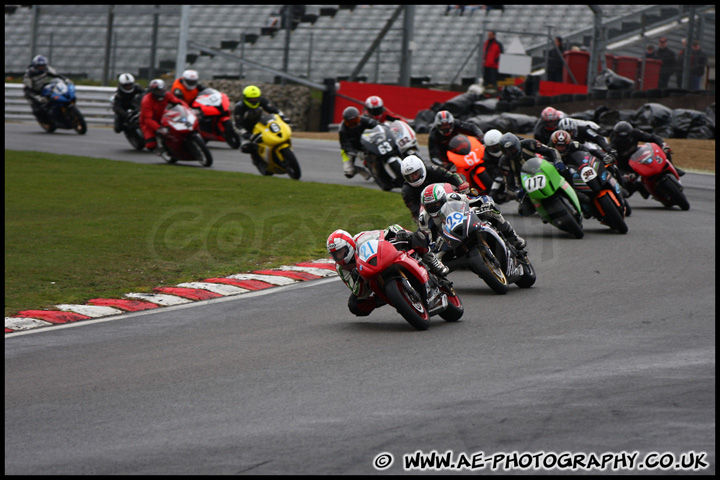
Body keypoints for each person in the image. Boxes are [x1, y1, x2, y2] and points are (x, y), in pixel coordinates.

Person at [326, 225, 448, 317]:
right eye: (335, 255)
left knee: (417, 236)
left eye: (341, 252)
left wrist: (400, 233)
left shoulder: (361, 238)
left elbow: (387, 231)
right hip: (370, 276)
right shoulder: (341, 268)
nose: (339, 257)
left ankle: (433, 261)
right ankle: (388, 298)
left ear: (349, 245)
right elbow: (357, 291)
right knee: (355, 305)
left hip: (386, 255)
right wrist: (358, 276)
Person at [418, 182, 526, 252]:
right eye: (430, 206)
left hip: (466, 219)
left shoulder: (452, 197)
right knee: (436, 259)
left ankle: (513, 236)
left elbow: (474, 200)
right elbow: (427, 239)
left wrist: (485, 202)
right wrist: (433, 246)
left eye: (436, 204)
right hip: (447, 237)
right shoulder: (423, 218)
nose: (433, 208)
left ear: (442, 199)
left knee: (492, 212)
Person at [608, 121, 683, 197]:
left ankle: (672, 167)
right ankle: (639, 187)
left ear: (630, 133)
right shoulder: (612, 144)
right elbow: (614, 164)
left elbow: (653, 138)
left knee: (665, 151)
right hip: (625, 164)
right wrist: (624, 176)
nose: (623, 140)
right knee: (626, 190)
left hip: (637, 154)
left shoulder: (635, 133)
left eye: (626, 137)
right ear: (616, 135)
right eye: (621, 137)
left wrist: (663, 145)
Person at [498, 132, 562, 216]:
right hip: (525, 184)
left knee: (564, 171)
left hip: (542, 170)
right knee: (524, 211)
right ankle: (544, 213)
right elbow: (508, 186)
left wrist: (557, 161)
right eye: (508, 152)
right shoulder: (504, 162)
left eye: (513, 149)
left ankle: (575, 190)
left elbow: (550, 150)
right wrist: (517, 192)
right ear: (504, 152)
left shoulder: (529, 144)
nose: (512, 153)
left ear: (517, 144)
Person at [400, 154, 469, 222]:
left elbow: (452, 176)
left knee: (470, 196)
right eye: (410, 176)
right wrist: (422, 219)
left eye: (416, 174)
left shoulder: (434, 170)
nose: (414, 178)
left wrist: (461, 184)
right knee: (424, 228)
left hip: (449, 200)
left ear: (421, 168)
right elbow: (415, 210)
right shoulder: (406, 191)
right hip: (431, 213)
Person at [233, 85, 290, 166]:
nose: (253, 101)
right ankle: (256, 158)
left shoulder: (262, 100)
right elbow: (238, 124)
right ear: (245, 98)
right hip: (245, 128)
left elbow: (274, 109)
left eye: (255, 98)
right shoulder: (239, 107)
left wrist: (283, 117)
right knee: (246, 147)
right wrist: (247, 135)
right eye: (250, 99)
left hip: (260, 123)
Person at [139, 78, 190, 154]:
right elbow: (148, 120)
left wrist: (187, 110)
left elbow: (178, 102)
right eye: (158, 91)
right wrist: (159, 129)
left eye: (162, 90)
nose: (161, 92)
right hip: (148, 122)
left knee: (175, 128)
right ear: (152, 91)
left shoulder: (167, 95)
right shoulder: (146, 101)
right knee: (151, 145)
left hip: (162, 115)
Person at [22, 54, 68, 124]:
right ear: (35, 66)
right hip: (33, 92)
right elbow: (27, 90)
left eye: (43, 66)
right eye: (40, 66)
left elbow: (56, 75)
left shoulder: (46, 68)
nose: (42, 68)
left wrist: (65, 79)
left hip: (43, 88)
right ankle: (46, 121)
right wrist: (38, 98)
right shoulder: (28, 75)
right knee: (38, 110)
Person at [338, 105, 375, 179]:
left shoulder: (364, 120)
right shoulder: (342, 130)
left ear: (359, 117)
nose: (353, 124)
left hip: (365, 142)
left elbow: (375, 124)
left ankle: (376, 172)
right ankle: (359, 170)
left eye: (355, 121)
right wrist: (357, 153)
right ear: (345, 121)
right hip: (350, 150)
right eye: (350, 122)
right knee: (349, 173)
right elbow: (345, 146)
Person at [482, 129, 510, 203]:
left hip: (516, 170)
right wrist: (502, 178)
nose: (495, 149)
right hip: (502, 175)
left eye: (497, 146)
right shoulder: (487, 157)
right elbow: (492, 171)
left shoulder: (510, 142)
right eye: (492, 147)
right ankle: (506, 197)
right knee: (493, 196)